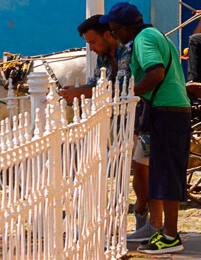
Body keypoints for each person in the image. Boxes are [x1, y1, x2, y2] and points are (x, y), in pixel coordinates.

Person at [60, 15, 152, 242]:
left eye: (92, 42)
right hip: (121, 122)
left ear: (108, 35)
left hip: (145, 115)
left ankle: (144, 217)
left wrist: (81, 92)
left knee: (142, 170)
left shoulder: (128, 51)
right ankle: (131, 219)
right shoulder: (103, 58)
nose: (90, 48)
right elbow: (96, 85)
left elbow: (122, 85)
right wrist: (78, 90)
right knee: (127, 169)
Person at [107, 1, 189, 253]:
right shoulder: (153, 34)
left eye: (114, 31)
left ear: (125, 29)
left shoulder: (143, 39)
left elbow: (155, 74)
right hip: (171, 108)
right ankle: (166, 232)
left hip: (167, 110)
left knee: (166, 174)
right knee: (164, 172)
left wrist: (125, 93)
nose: (114, 36)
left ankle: (171, 237)